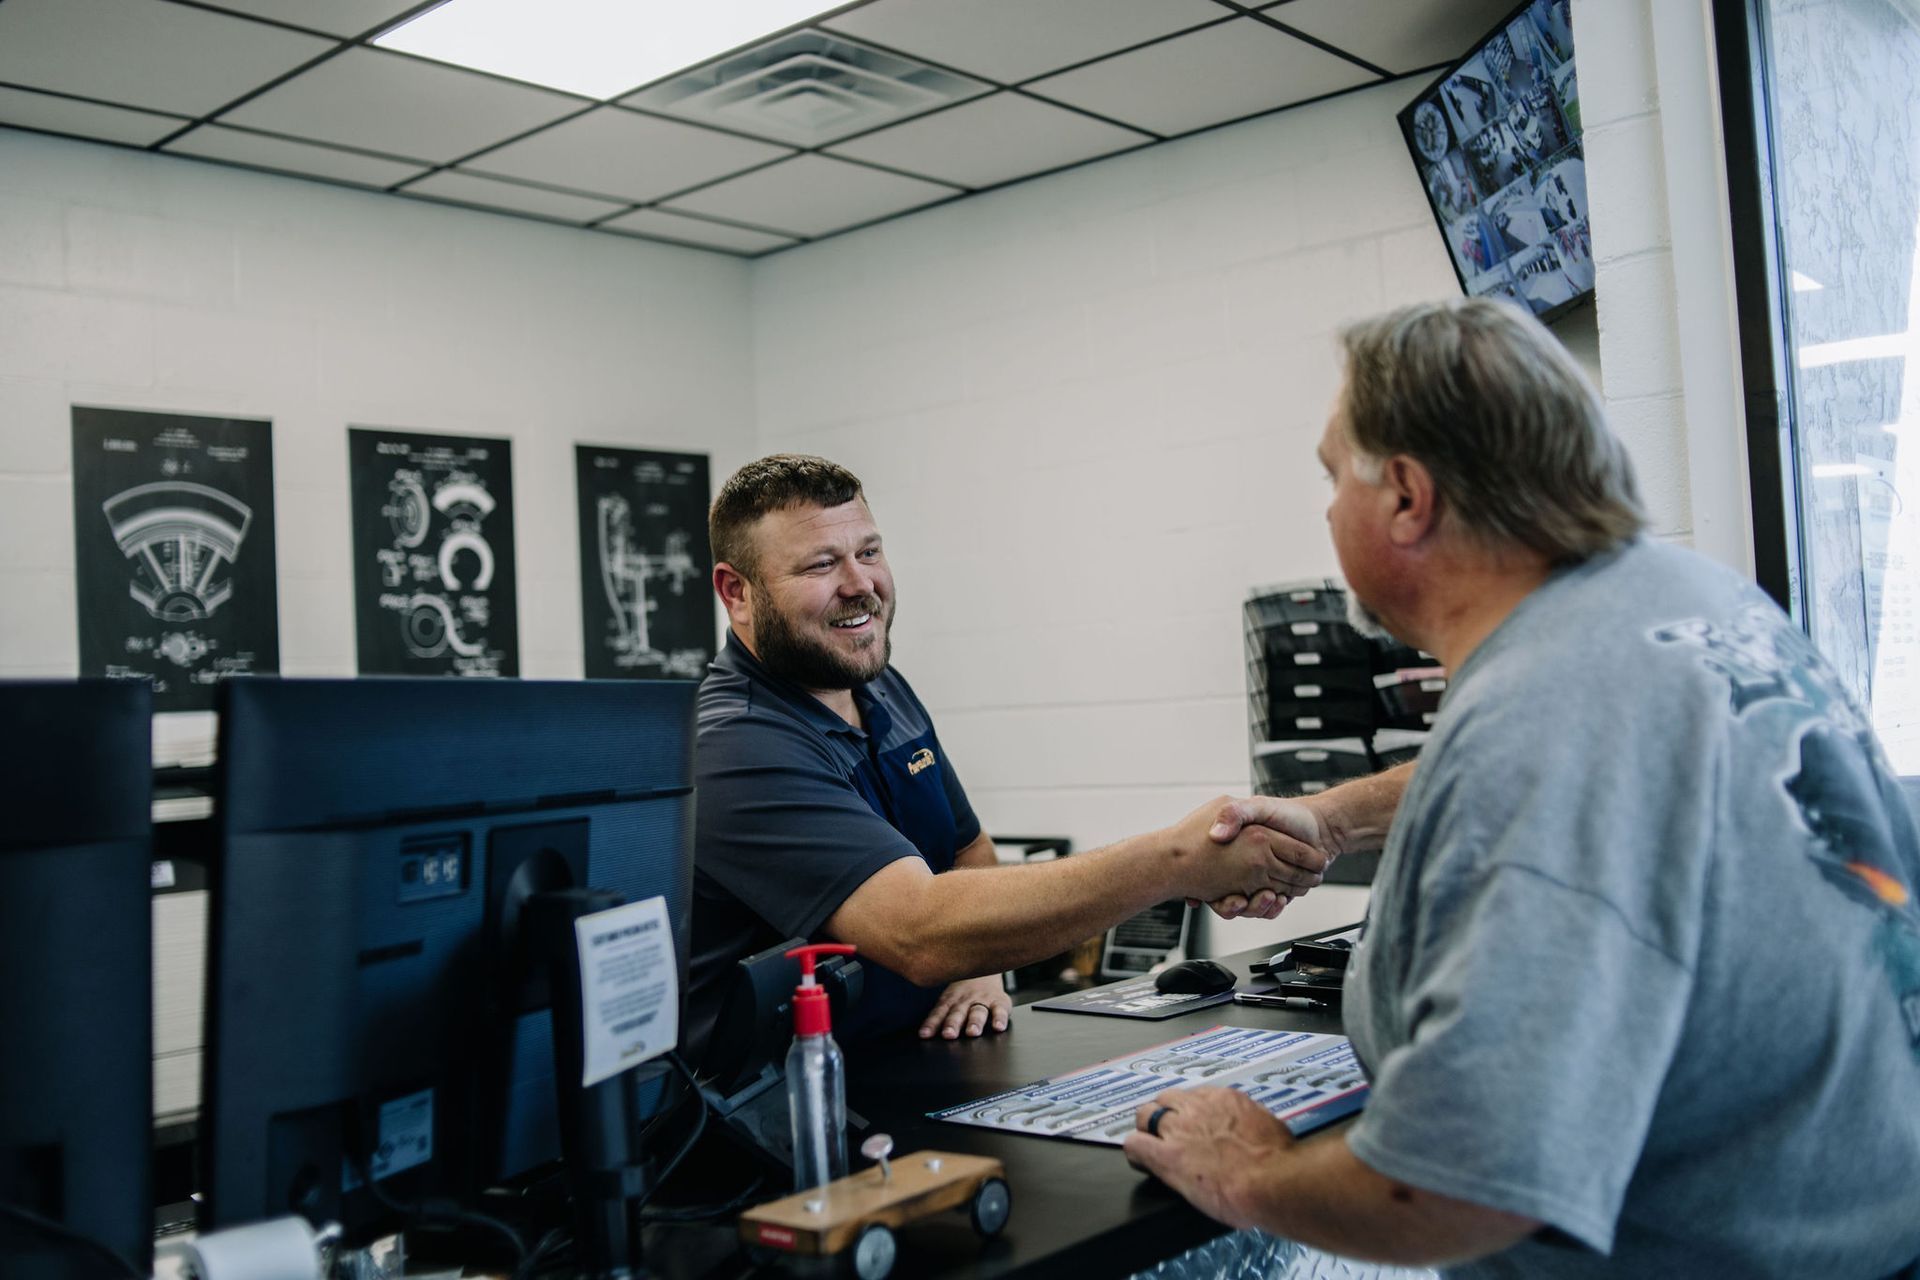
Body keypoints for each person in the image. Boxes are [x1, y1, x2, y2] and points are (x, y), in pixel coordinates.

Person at [1124, 298, 1920, 1277]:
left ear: (1409, 497)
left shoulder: (1542, 714)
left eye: (1335, 477)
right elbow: (1597, 780)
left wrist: (1251, 1172)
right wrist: (1332, 819)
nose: (1329, 508)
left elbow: (1462, 1184)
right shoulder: (1690, 603)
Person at [686, 454, 1322, 1058]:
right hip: (786, 1114)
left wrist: (983, 968)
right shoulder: (734, 743)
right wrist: (1178, 860)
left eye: (869, 552)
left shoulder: (879, 685)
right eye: (821, 564)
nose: (861, 585)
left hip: (924, 1060)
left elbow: (968, 855)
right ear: (736, 592)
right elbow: (918, 931)